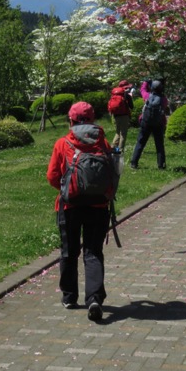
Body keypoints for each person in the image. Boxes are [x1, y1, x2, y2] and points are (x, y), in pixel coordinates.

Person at [46, 101, 112, 322]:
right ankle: (93, 298)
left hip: (69, 207)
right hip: (99, 207)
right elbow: (113, 175)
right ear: (93, 119)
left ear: (70, 120)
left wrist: (68, 189)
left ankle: (69, 296)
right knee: (93, 252)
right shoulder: (103, 143)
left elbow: (52, 176)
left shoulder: (63, 143)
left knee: (69, 251)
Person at [130, 79, 170, 170]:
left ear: (152, 88)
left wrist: (145, 82)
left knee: (140, 142)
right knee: (159, 144)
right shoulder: (164, 99)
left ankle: (134, 163)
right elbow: (164, 107)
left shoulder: (147, 96)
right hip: (158, 123)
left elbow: (142, 90)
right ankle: (161, 165)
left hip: (146, 122)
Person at [107, 80, 134, 150]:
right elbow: (131, 106)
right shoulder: (127, 95)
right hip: (124, 116)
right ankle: (120, 150)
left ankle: (112, 148)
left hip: (115, 116)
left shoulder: (113, 95)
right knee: (123, 133)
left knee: (117, 132)